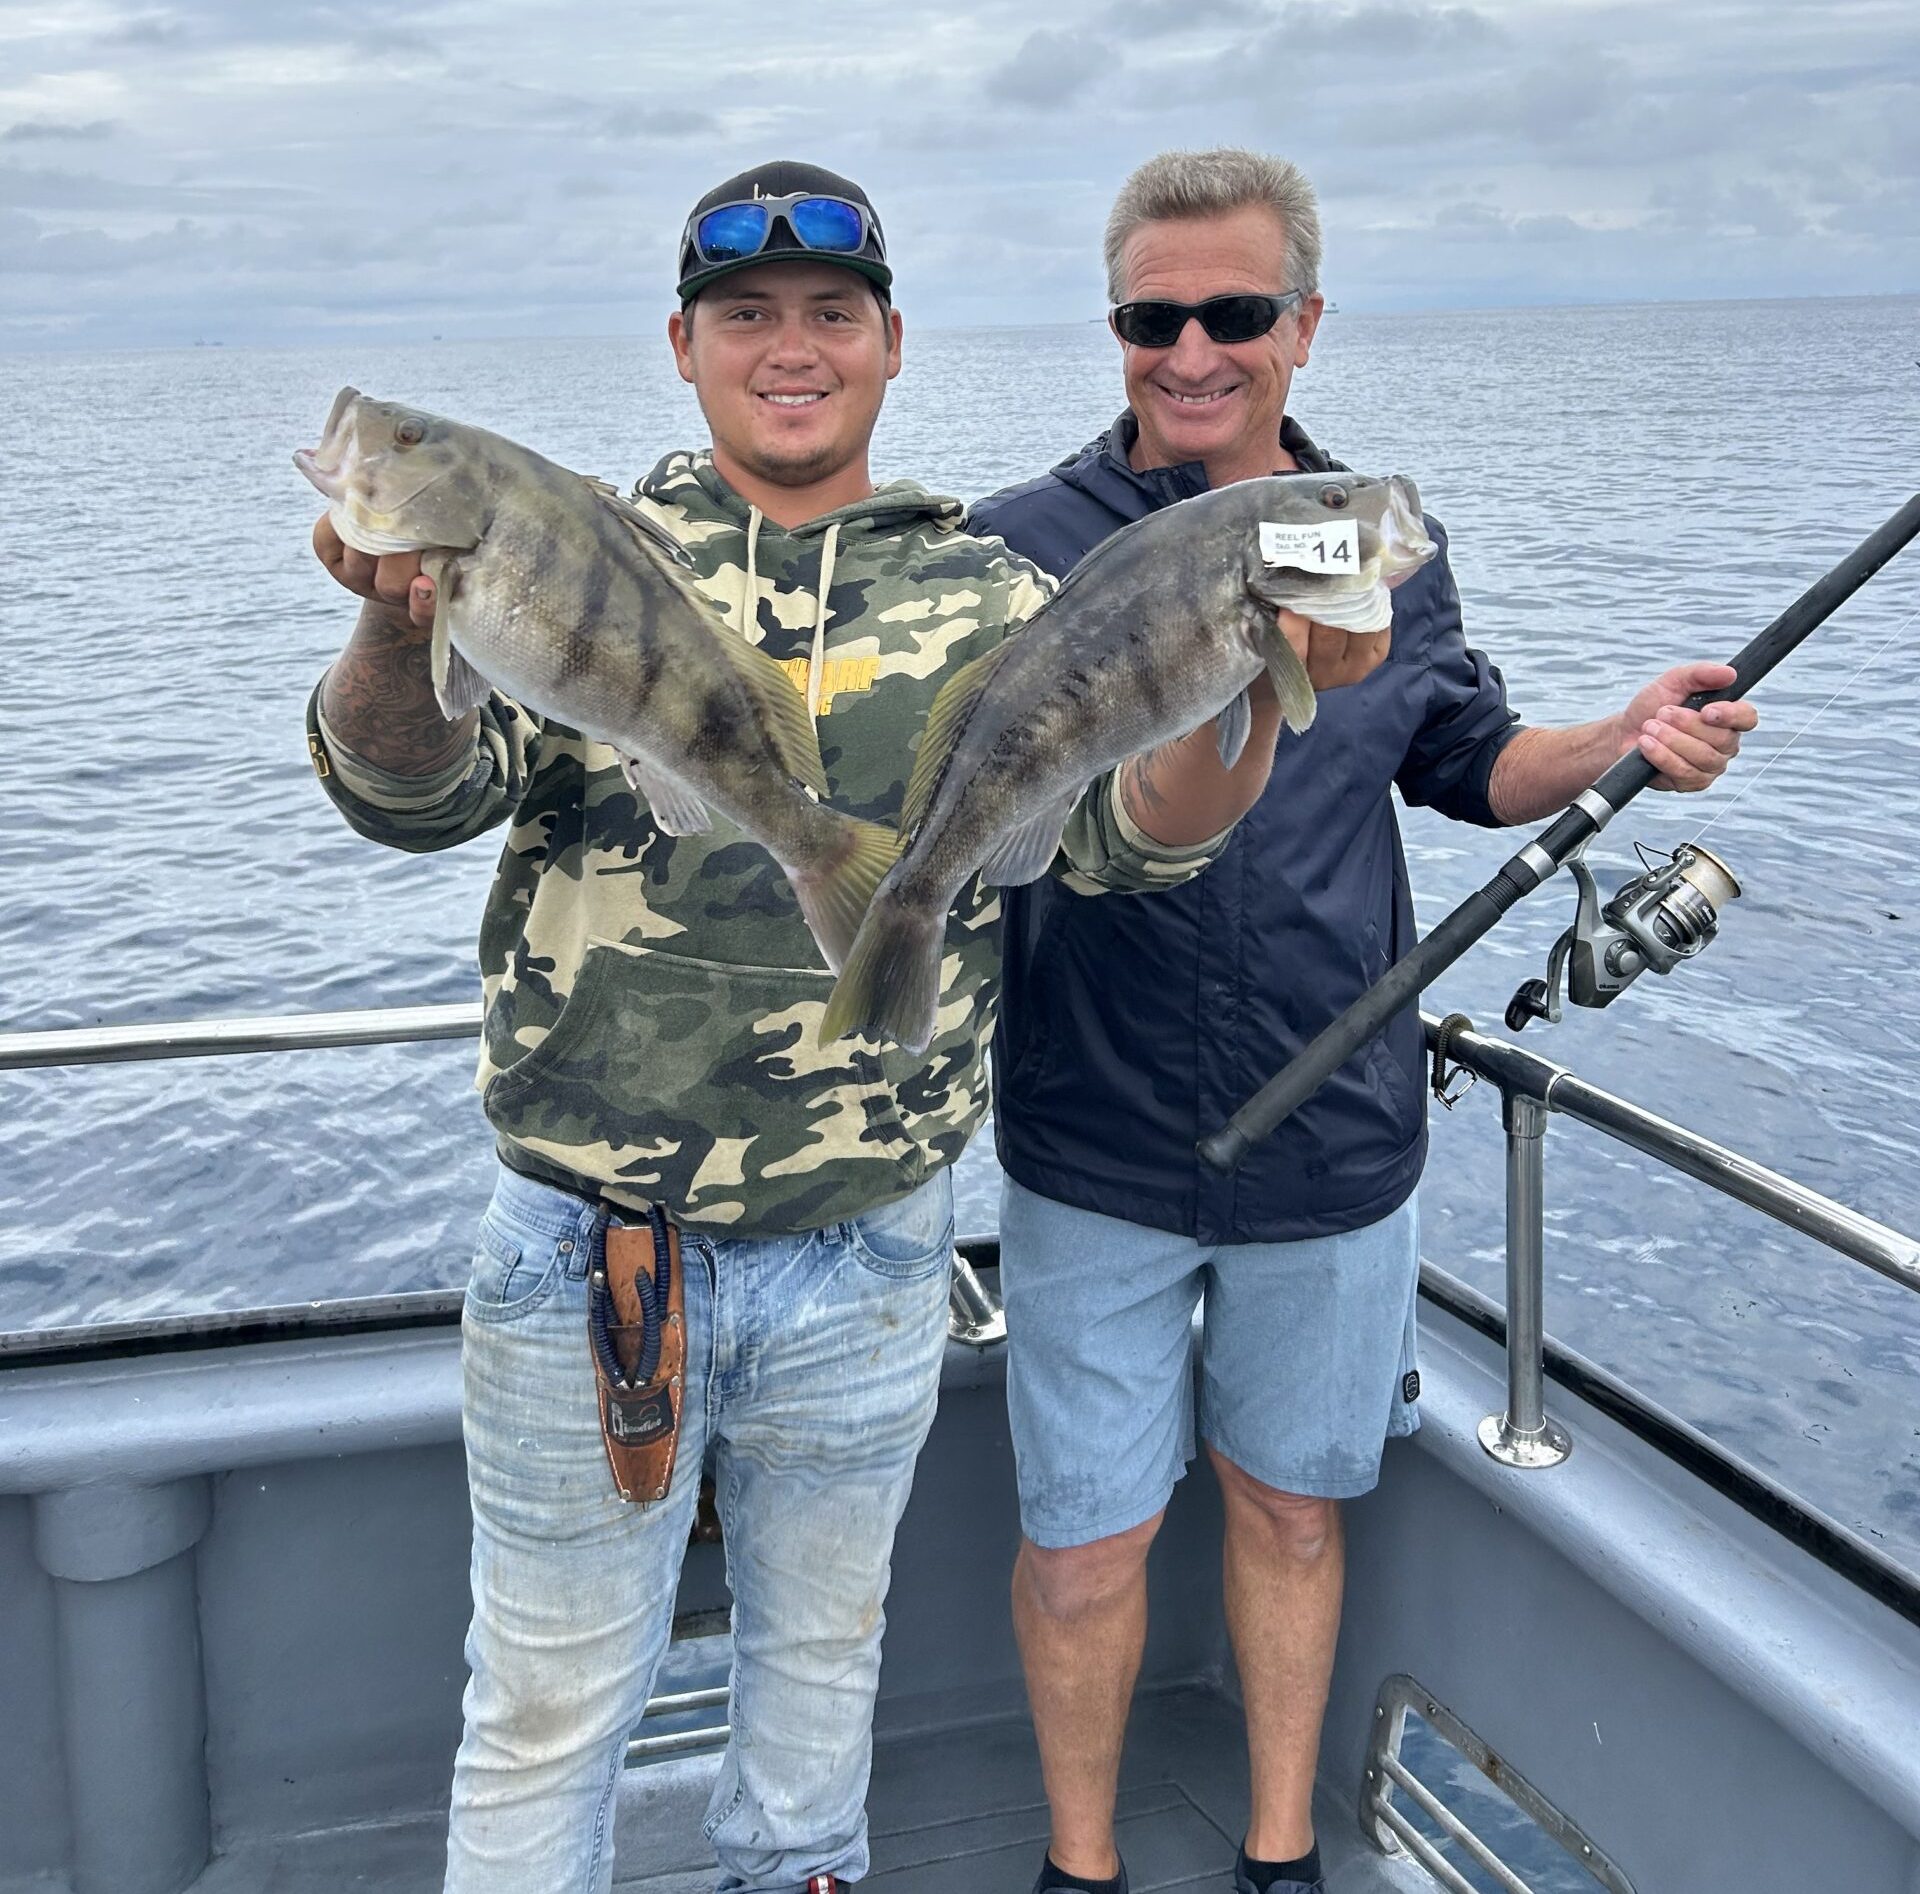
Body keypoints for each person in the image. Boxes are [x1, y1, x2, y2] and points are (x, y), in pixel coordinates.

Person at [302, 159, 1381, 1894]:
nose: (787, 350)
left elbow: (1120, 840)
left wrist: (1245, 685)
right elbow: (414, 790)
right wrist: (390, 613)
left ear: (891, 348)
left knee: (817, 1713)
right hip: (593, 1254)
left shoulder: (991, 589)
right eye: (746, 317)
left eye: (828, 317)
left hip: (875, 1255)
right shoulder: (584, 549)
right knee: (545, 1716)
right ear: (681, 343)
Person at [969, 147, 1758, 1894]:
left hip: (1332, 1124)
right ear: (1114, 330)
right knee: (1083, 1543)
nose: (1193, 349)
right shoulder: (1014, 546)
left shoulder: (1387, 540)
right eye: (1151, 316)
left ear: (1305, 326)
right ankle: (1078, 1868)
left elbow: (1472, 759)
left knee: (1292, 1509)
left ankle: (1277, 1857)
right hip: (1088, 1124)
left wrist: (1625, 734)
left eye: (1235, 312)